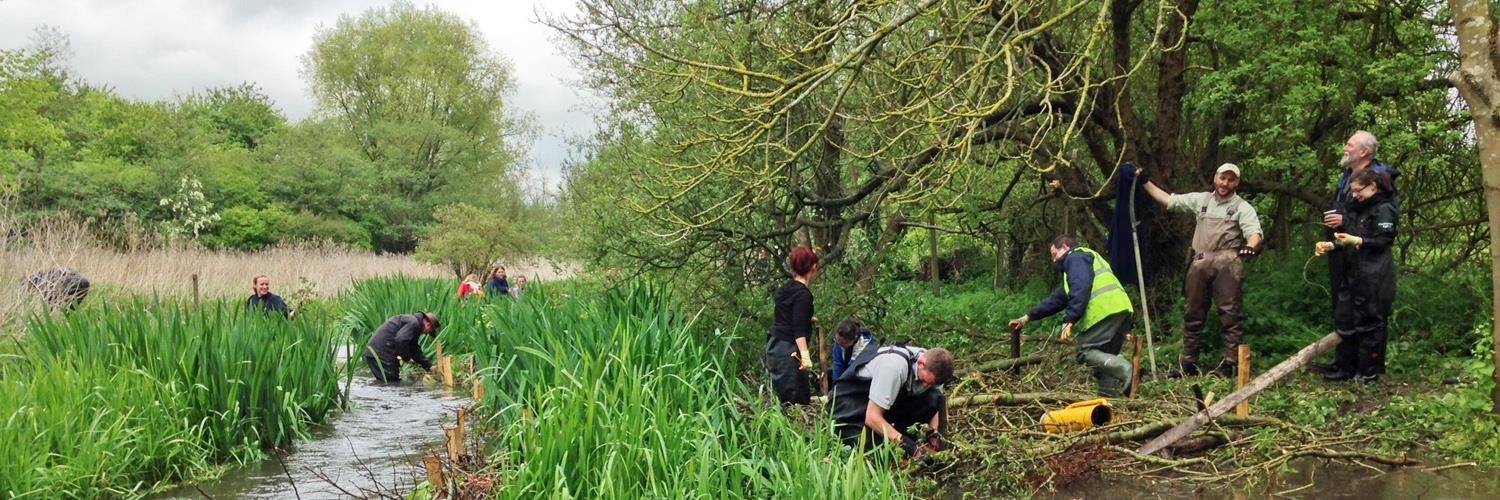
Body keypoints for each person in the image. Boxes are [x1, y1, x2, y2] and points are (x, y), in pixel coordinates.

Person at [1141, 163, 1264, 378]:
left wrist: (1250, 247)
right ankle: (1189, 363)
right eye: (1222, 178)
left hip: (1228, 261)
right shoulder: (1201, 200)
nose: (1225, 183)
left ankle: (1231, 363)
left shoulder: (1242, 207)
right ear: (1215, 178)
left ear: (1237, 183)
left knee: (1230, 313)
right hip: (1199, 261)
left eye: (1230, 180)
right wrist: (1145, 182)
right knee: (1193, 312)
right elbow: (1170, 201)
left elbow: (1255, 233)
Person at [1009, 235, 1135, 396]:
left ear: (1066, 247)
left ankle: (1126, 369)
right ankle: (1108, 403)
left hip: (1105, 312)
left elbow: (1081, 286)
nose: (1054, 261)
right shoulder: (1082, 264)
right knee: (1102, 362)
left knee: (1085, 351)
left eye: (1055, 255)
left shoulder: (1075, 257)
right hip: (1120, 309)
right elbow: (1056, 300)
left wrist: (1070, 319)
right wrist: (1027, 317)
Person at [1317, 131, 1399, 372]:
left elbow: (1381, 229)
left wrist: (1349, 226)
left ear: (1363, 151)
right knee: (1343, 308)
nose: (1344, 147)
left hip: (1368, 259)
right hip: (1345, 250)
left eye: (1349, 144)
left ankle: (1368, 368)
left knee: (1369, 313)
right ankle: (1344, 363)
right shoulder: (1347, 175)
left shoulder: (1380, 179)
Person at [831, 343, 955, 457]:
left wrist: (932, 436)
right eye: (923, 381)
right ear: (921, 363)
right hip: (850, 403)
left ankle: (903, 436)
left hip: (884, 399)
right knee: (879, 452)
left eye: (930, 384)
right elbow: (872, 417)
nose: (924, 386)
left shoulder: (936, 368)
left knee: (933, 397)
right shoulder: (894, 366)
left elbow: (936, 407)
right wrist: (911, 448)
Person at [767, 247, 819, 405]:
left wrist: (807, 319)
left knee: (784, 394)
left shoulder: (785, 289)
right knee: (794, 401)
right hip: (789, 350)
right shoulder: (803, 295)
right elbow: (798, 329)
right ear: (813, 267)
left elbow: (786, 315)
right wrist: (805, 356)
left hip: (775, 345)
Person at [363, 312, 442, 383]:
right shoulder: (413, 323)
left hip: (376, 353)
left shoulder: (412, 323)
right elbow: (401, 340)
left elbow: (414, 349)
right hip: (382, 355)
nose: (425, 334)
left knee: (384, 383)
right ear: (429, 325)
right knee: (391, 384)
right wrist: (406, 358)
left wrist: (429, 366)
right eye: (428, 332)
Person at [22, 268, 90, 311]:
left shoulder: (43, 281)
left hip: (74, 283)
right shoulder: (45, 279)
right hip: (78, 282)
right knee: (71, 308)